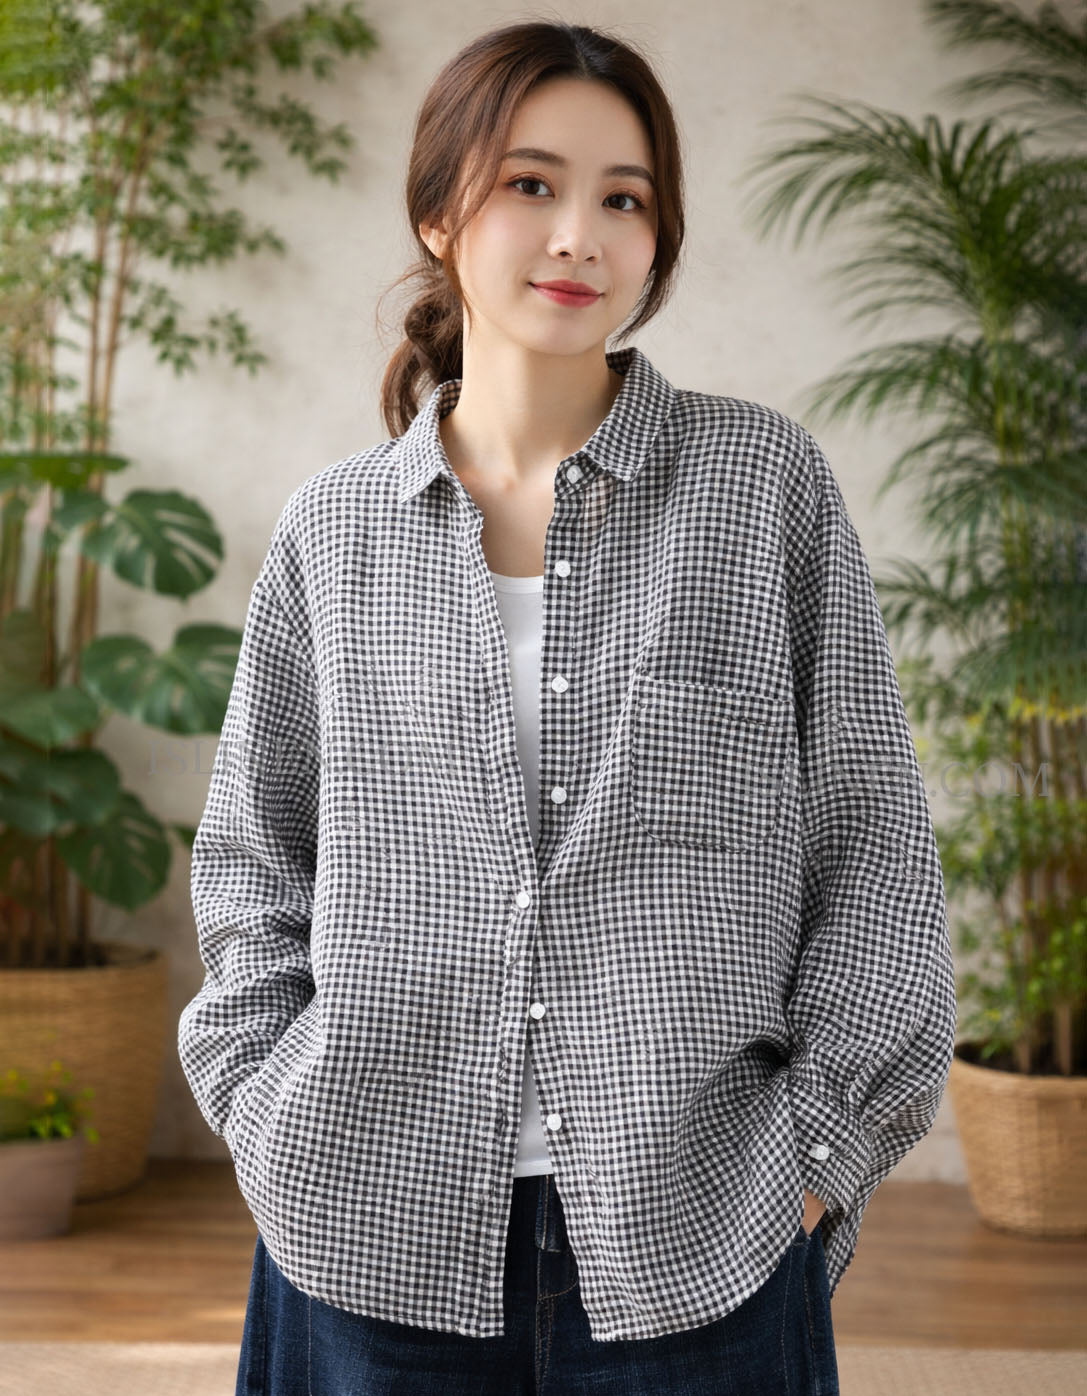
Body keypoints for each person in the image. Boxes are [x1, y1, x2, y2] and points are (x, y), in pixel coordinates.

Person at [178, 18, 958, 1396]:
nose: (579, 238)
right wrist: (267, 1120)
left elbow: (875, 848)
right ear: (438, 212)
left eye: (624, 198)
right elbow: (252, 867)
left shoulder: (759, 491)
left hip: (699, 1240)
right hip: (367, 1232)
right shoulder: (334, 535)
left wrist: (815, 1165)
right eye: (531, 184)